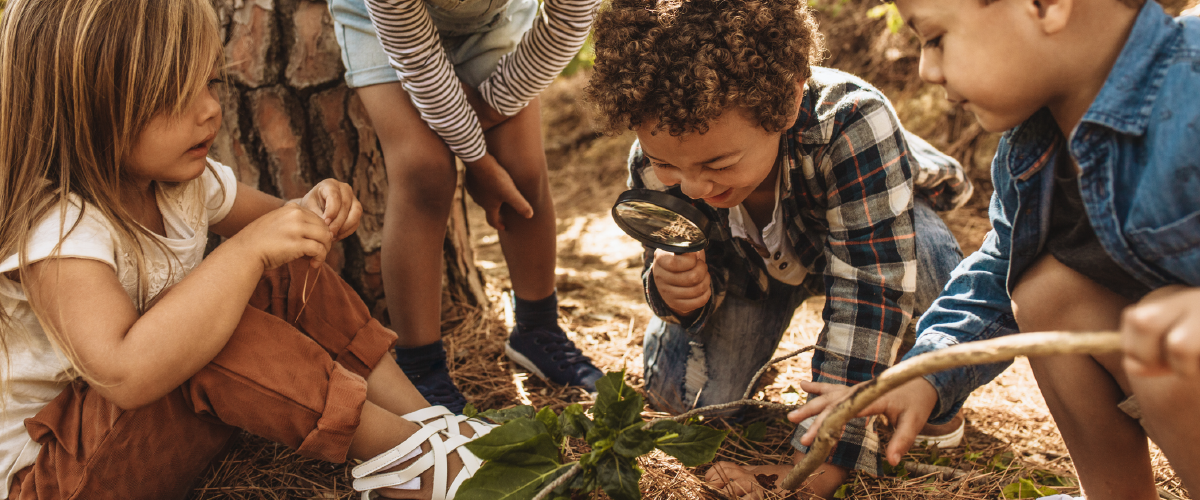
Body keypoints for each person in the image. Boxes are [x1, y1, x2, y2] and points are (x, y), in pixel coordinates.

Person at [0, 1, 495, 498]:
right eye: (174, 93)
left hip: (137, 437)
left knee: (285, 268)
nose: (211, 108)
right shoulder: (59, 230)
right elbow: (124, 375)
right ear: (84, 107)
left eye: (211, 82)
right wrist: (243, 254)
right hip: (56, 477)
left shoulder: (179, 183)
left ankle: (429, 426)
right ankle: (412, 463)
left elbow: (284, 227)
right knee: (214, 330)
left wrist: (315, 206)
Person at [791, 1, 1200, 499]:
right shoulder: (1031, 151)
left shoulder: (1191, 81)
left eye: (936, 39)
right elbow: (993, 278)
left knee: (1170, 321)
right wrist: (922, 373)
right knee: (1047, 292)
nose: (927, 69)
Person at [585, 0, 975, 496]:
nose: (693, 187)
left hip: (865, 236)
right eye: (668, 165)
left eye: (720, 164)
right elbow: (664, 261)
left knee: (932, 263)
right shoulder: (658, 158)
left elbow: (871, 285)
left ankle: (928, 390)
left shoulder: (853, 120)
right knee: (683, 399)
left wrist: (815, 465)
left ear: (788, 104)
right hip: (755, 273)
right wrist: (676, 292)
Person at [328, 0, 604, 413]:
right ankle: (421, 369)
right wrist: (476, 158)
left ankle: (538, 330)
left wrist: (489, 110)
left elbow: (569, 19)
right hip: (385, 28)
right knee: (426, 174)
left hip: (495, 21)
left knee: (522, 171)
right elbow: (417, 57)